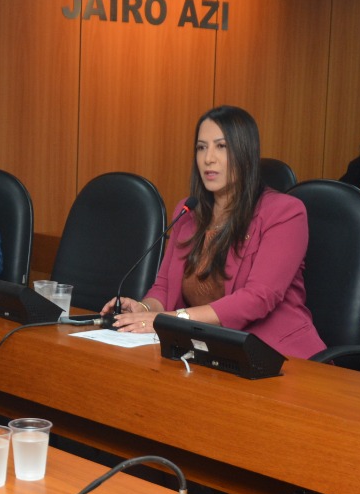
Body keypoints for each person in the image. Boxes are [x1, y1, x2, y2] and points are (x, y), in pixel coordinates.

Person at [105, 105, 326, 358]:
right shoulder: (189, 211)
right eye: (201, 147)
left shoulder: (286, 212)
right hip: (210, 353)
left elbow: (258, 298)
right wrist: (144, 309)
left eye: (221, 146)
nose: (209, 158)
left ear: (245, 153)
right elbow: (165, 288)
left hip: (278, 358)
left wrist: (168, 320)